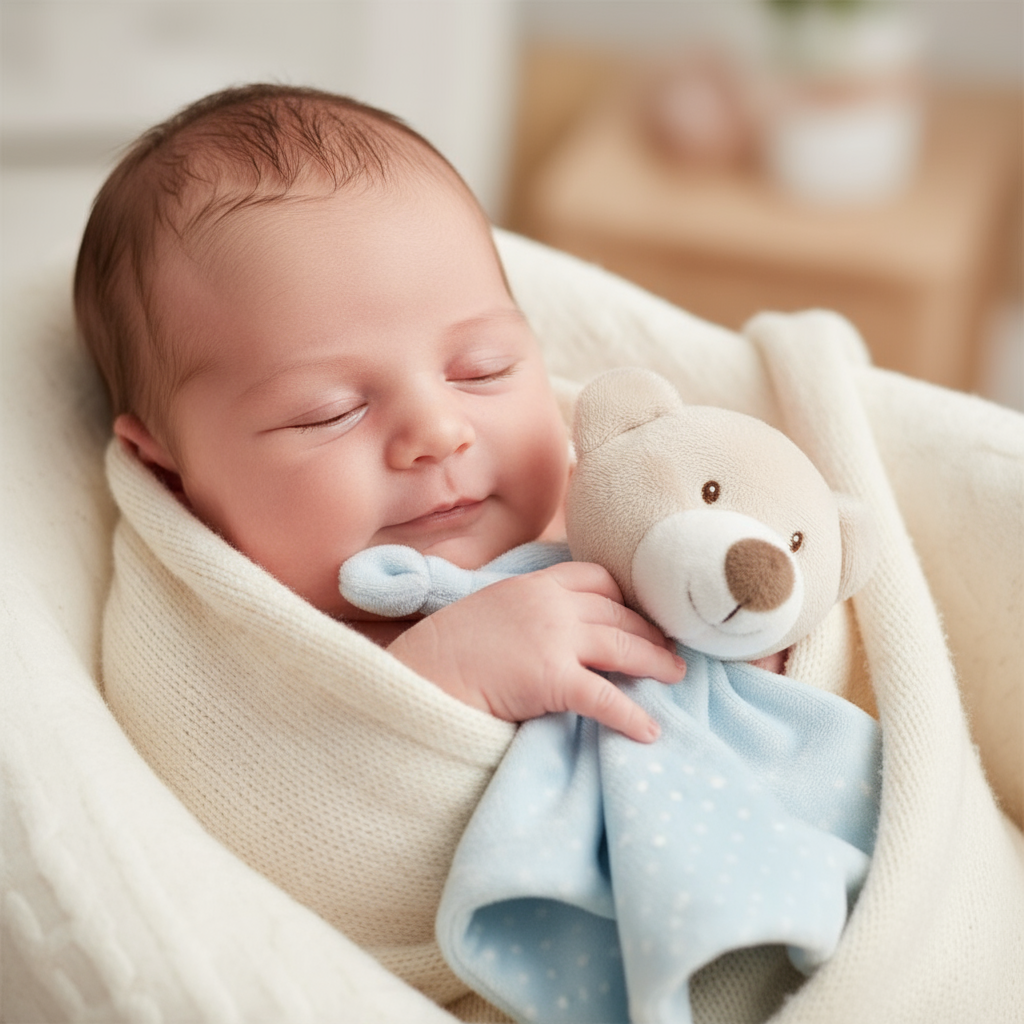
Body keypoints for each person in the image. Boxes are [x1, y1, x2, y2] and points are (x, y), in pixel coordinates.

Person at [75, 83, 686, 746]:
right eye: (329, 412)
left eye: (482, 369)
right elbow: (259, 819)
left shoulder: (616, 493)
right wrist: (435, 683)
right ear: (168, 471)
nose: (438, 434)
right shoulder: (224, 645)